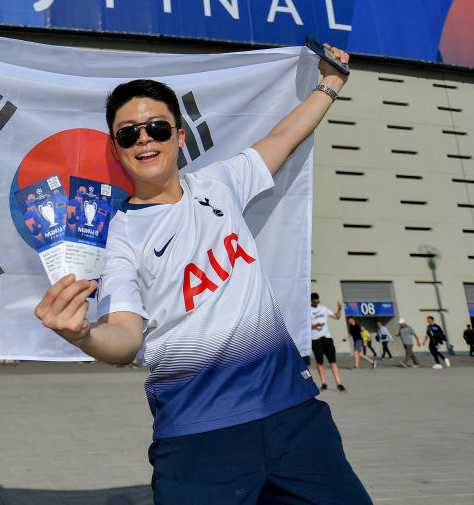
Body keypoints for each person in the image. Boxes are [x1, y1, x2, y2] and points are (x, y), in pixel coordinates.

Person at [35, 46, 373, 503]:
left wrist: (330, 83)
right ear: (116, 150)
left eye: (156, 128)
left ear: (179, 136)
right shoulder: (120, 236)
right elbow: (125, 339)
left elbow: (284, 136)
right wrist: (82, 335)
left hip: (294, 418)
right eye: (128, 135)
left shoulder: (221, 184)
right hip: (199, 437)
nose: (144, 141)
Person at [310, 293, 346, 391]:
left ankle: (338, 383)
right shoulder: (307, 311)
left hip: (327, 338)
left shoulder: (324, 308)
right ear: (311, 301)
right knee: (319, 361)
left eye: (318, 301)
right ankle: (324, 383)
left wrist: (339, 309)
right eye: (314, 301)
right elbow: (304, 326)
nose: (316, 303)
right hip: (315, 339)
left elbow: (336, 317)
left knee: (332, 360)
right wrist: (315, 325)